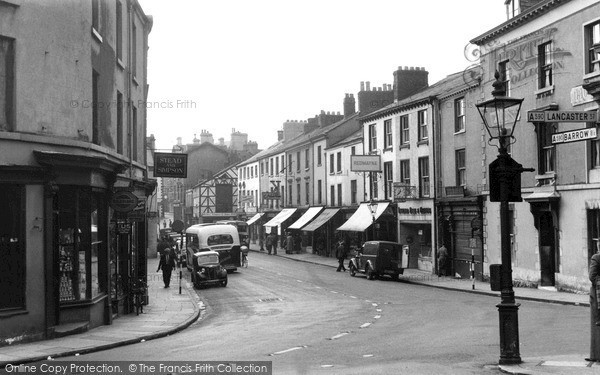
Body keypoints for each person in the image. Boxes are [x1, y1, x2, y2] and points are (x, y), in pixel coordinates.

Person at [588, 245, 600, 361]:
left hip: (597, 294)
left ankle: (596, 354)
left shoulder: (596, 257)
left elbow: (592, 277)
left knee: (596, 324)